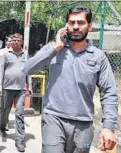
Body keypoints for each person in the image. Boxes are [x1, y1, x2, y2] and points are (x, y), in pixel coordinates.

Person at [23, 6, 118, 153]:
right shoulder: (54, 49)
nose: (75, 27)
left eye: (80, 23)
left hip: (84, 127)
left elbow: (109, 93)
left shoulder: (98, 57)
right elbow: (28, 68)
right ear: (66, 26)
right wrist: (56, 47)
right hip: (53, 119)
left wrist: (108, 127)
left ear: (90, 26)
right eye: (71, 22)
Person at [0, 33, 32, 152]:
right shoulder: (5, 54)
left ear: (21, 42)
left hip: (21, 88)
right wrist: (0, 86)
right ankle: (2, 128)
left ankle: (20, 141)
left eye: (18, 40)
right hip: (7, 87)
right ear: (11, 41)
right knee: (5, 110)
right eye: (13, 40)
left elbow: (29, 70)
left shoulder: (25, 54)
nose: (15, 41)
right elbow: (1, 70)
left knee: (19, 113)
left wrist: (30, 85)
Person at [0, 35, 13, 124]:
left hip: (11, 81)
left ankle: (2, 118)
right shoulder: (1, 52)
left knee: (8, 103)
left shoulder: (15, 53)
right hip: (1, 79)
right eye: (9, 41)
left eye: (12, 41)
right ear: (6, 42)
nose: (10, 43)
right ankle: (3, 119)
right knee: (4, 102)